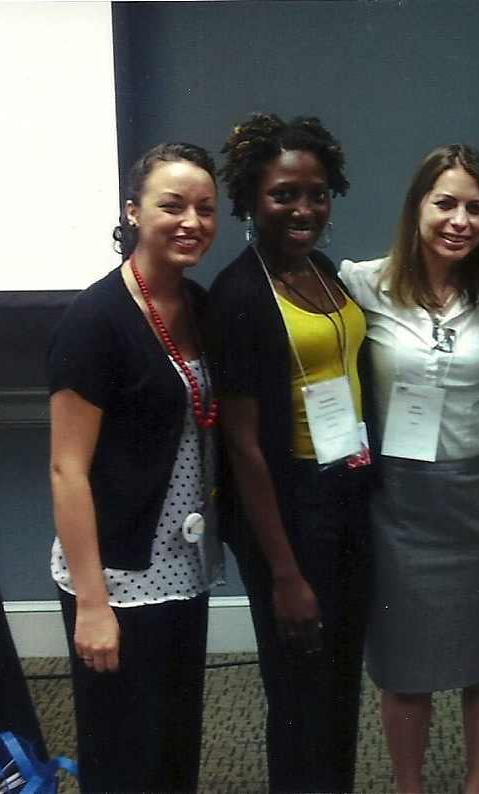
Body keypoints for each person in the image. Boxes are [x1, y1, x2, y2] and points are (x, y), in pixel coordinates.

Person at [339, 143, 479, 794]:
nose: (459, 220)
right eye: (444, 203)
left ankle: (476, 785)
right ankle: (409, 786)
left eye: (475, 208)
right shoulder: (363, 282)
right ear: (416, 208)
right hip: (399, 503)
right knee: (402, 663)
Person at [47, 141, 220, 794]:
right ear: (132, 211)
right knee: (124, 751)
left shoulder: (197, 306)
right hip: (115, 574)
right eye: (171, 205)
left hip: (184, 562)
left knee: (176, 742)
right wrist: (91, 604)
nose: (191, 222)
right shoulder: (94, 321)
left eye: (205, 209)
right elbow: (67, 470)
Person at [209, 114, 372, 793]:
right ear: (249, 199)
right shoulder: (240, 296)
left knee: (337, 683)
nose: (303, 208)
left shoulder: (322, 270)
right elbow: (243, 447)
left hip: (347, 495)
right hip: (288, 511)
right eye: (283, 194)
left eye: (316, 193)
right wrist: (283, 573)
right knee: (300, 694)